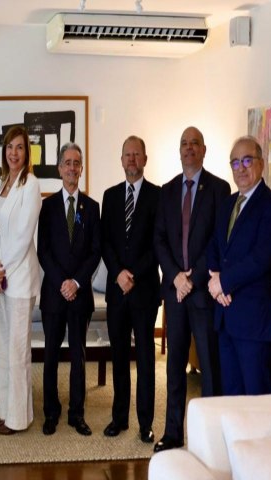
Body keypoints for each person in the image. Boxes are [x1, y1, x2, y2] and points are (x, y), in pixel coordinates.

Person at [154, 126, 230, 453]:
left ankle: (210, 438)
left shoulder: (219, 189)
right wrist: (175, 277)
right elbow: (159, 239)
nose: (189, 148)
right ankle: (173, 433)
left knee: (210, 368)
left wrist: (193, 278)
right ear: (179, 150)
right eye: (184, 143)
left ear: (204, 150)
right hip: (175, 293)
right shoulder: (167, 190)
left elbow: (218, 240)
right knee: (174, 368)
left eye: (194, 143)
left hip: (201, 293)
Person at [207, 135, 271, 395]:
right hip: (225, 317)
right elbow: (214, 245)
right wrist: (215, 279)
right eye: (235, 162)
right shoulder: (227, 204)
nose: (240, 168)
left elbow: (261, 258)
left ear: (261, 163)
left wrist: (223, 282)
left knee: (256, 400)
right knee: (231, 397)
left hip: (254, 322)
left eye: (247, 160)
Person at [38, 143, 100, 437]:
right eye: (67, 163)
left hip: (80, 295)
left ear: (81, 168)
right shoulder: (48, 206)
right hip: (53, 294)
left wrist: (75, 282)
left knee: (79, 356)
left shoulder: (92, 207)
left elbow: (95, 252)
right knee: (50, 355)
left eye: (77, 163)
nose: (72, 168)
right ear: (60, 168)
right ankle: (51, 412)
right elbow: (43, 250)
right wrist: (62, 282)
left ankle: (77, 414)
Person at [100, 136, 160, 443]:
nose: (132, 159)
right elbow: (105, 242)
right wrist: (118, 273)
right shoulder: (110, 196)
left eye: (137, 154)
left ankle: (145, 423)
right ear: (121, 160)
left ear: (145, 159)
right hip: (117, 292)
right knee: (119, 357)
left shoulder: (157, 195)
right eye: (127, 154)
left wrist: (132, 274)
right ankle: (119, 418)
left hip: (144, 291)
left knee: (146, 360)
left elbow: (158, 244)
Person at [0, 125, 42, 435]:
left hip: (19, 280)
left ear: (27, 153)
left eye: (20, 147)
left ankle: (19, 419)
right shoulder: (0, 183)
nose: (14, 152)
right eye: (10, 147)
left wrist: (3, 268)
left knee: (18, 352)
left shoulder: (30, 185)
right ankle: (5, 410)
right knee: (2, 349)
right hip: (1, 280)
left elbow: (23, 236)